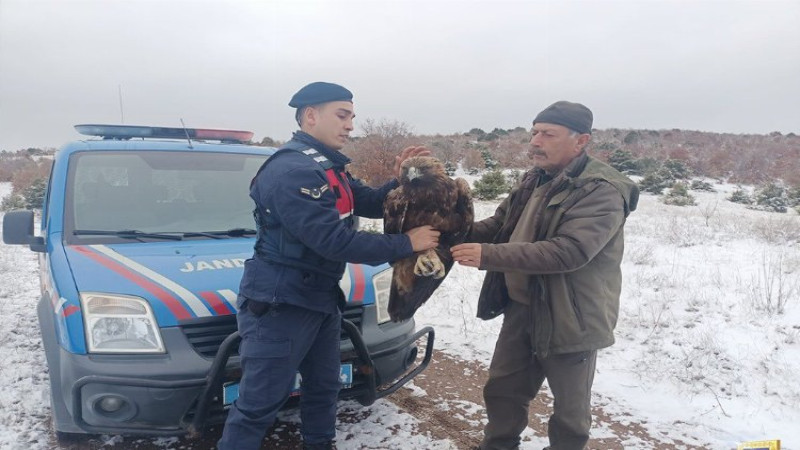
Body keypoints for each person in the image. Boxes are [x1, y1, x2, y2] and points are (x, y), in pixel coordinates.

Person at [218, 81, 440, 450]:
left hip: (319, 300)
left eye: (352, 116)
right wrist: (407, 243)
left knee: (324, 389)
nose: (350, 125)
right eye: (342, 115)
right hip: (280, 305)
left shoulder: (325, 166)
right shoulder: (291, 171)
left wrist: (400, 182)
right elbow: (332, 241)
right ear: (310, 116)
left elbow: (366, 201)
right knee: (259, 404)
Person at [451, 101, 639, 450]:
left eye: (547, 134)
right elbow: (501, 225)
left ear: (580, 141)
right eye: (534, 132)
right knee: (503, 392)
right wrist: (453, 233)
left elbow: (569, 250)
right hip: (523, 308)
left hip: (571, 315)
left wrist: (488, 256)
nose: (535, 141)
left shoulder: (601, 189)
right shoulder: (534, 179)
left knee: (570, 413)